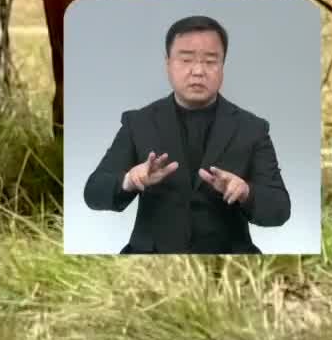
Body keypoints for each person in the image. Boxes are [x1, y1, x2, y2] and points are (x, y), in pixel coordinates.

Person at [81, 14, 291, 253]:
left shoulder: (252, 128)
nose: (198, 71)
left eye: (211, 61)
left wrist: (246, 192)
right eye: (186, 60)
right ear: (168, 64)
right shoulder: (138, 123)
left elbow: (280, 209)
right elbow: (93, 192)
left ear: (223, 66)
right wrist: (130, 180)